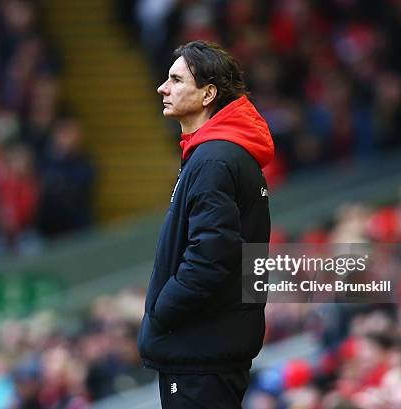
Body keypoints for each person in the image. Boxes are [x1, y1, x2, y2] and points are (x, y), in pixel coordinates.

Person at [137, 41, 274, 408]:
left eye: (176, 80)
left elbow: (211, 256)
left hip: (200, 351)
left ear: (207, 94)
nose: (162, 88)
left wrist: (162, 310)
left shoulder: (214, 159)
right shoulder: (222, 154)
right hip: (210, 347)